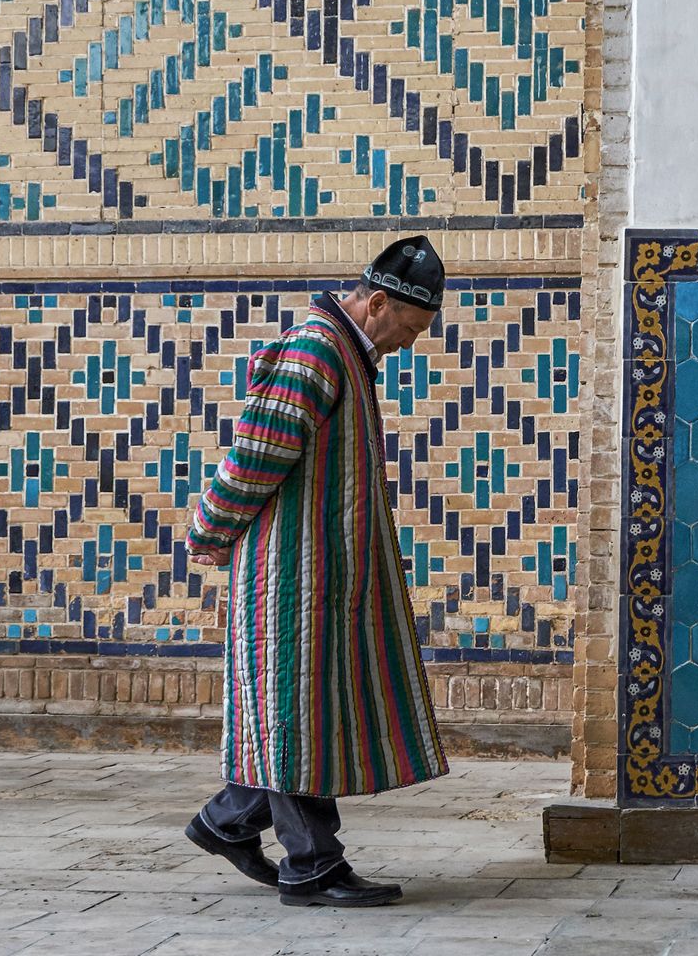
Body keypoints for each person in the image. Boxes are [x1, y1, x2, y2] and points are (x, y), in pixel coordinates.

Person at [180, 236, 452, 908]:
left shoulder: (343, 351)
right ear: (377, 302)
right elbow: (257, 452)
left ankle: (227, 821)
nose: (410, 344)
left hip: (319, 571)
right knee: (298, 713)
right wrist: (211, 531)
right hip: (289, 575)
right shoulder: (316, 350)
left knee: (301, 712)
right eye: (410, 328)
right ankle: (313, 866)